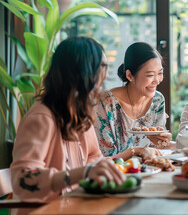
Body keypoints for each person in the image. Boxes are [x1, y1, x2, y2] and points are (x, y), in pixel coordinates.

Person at [10, 37, 125, 212]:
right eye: (100, 70)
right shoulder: (42, 117)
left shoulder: (79, 115)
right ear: (81, 73)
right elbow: (22, 180)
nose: (102, 82)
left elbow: (95, 159)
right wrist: (83, 173)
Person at [94, 42, 173, 160]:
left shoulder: (157, 100)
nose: (157, 80)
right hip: (118, 174)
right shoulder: (106, 103)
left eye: (160, 73)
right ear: (130, 75)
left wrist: (163, 142)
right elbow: (105, 158)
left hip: (150, 171)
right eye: (150, 75)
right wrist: (137, 151)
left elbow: (156, 149)